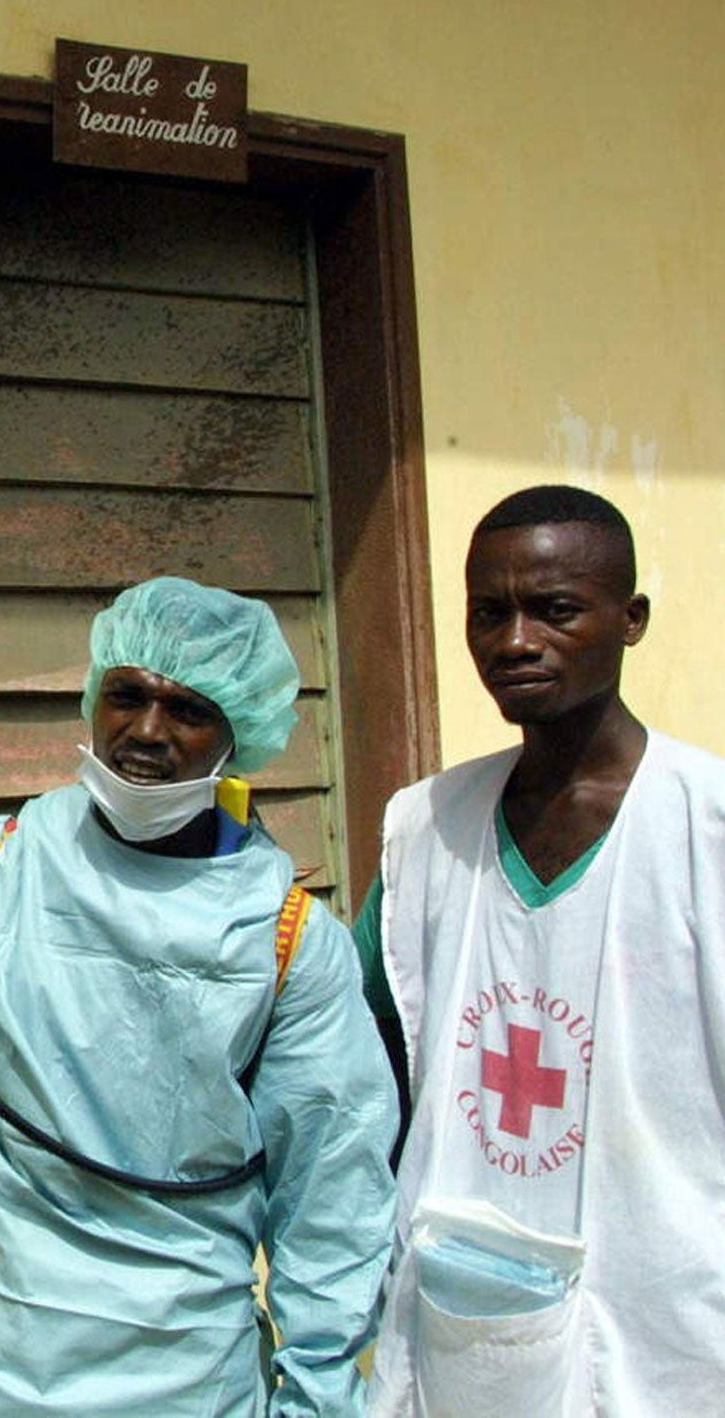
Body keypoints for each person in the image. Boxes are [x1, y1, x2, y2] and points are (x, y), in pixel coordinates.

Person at [0, 576, 397, 1417]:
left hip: (177, 1371)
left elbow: (333, 1200)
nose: (146, 731)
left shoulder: (288, 939)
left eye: (187, 711)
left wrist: (319, 1396)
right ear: (93, 698)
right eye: (128, 695)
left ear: (238, 737)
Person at [357, 485, 725, 1415]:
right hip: (463, 1322)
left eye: (555, 609)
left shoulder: (707, 826)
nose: (515, 641)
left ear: (630, 619)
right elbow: (354, 1057)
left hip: (675, 1331)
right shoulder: (426, 829)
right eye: (490, 612)